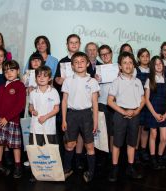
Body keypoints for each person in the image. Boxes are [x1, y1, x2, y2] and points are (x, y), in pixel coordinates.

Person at [61, 52, 100, 182]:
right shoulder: (68, 80)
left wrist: (95, 122)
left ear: (88, 63)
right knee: (70, 144)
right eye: (76, 62)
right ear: (72, 66)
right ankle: (67, 169)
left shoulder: (92, 81)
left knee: (89, 146)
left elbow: (95, 103)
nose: (79, 64)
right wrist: (64, 119)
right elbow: (64, 101)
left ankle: (91, 172)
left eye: (82, 61)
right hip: (71, 115)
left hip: (87, 116)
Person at [107, 52, 145, 182]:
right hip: (120, 115)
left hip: (135, 115)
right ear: (120, 66)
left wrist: (136, 111)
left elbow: (143, 99)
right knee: (117, 143)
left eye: (130, 62)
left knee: (132, 142)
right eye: (125, 63)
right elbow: (110, 101)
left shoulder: (138, 81)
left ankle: (130, 167)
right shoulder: (116, 81)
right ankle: (114, 168)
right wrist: (123, 112)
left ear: (134, 65)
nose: (128, 65)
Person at [54, 34, 85, 170]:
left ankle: (78, 159)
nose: (73, 45)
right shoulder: (62, 61)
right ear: (67, 45)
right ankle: (67, 161)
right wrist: (58, 81)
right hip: (68, 103)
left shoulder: (84, 59)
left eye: (76, 42)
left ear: (79, 44)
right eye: (71, 43)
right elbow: (56, 80)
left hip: (82, 103)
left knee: (80, 133)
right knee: (67, 133)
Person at [0, 60, 26, 178]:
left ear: (17, 71)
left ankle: (18, 166)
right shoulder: (2, 87)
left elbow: (20, 105)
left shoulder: (20, 85)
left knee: (15, 145)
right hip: (0, 120)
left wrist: (7, 118)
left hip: (12, 121)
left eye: (12, 70)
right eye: (6, 71)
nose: (9, 73)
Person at [28, 65, 60, 181]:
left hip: (49, 128)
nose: (41, 78)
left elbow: (56, 109)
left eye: (45, 76)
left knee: (48, 151)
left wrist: (45, 117)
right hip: (35, 128)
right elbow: (30, 106)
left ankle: (49, 172)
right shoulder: (33, 93)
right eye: (39, 76)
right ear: (36, 78)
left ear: (50, 78)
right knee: (35, 151)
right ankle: (34, 173)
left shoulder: (54, 92)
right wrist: (32, 110)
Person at [144, 56, 166, 170]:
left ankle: (160, 157)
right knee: (153, 135)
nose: (159, 65)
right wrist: (155, 114)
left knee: (164, 138)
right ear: (152, 66)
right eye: (156, 64)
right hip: (153, 111)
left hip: (164, 112)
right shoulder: (149, 80)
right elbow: (146, 99)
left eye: (160, 63)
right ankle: (153, 158)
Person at [96, 45, 117, 154]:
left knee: (113, 132)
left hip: (115, 104)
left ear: (111, 53)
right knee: (102, 132)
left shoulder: (119, 67)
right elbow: (96, 91)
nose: (105, 56)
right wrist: (96, 81)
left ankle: (113, 157)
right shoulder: (98, 70)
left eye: (107, 53)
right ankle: (102, 156)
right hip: (102, 104)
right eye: (102, 54)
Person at [135, 48, 151, 163]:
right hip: (138, 102)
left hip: (149, 103)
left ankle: (143, 150)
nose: (145, 58)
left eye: (147, 56)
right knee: (137, 129)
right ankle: (135, 151)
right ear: (138, 58)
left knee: (146, 128)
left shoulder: (152, 70)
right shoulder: (136, 70)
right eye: (142, 56)